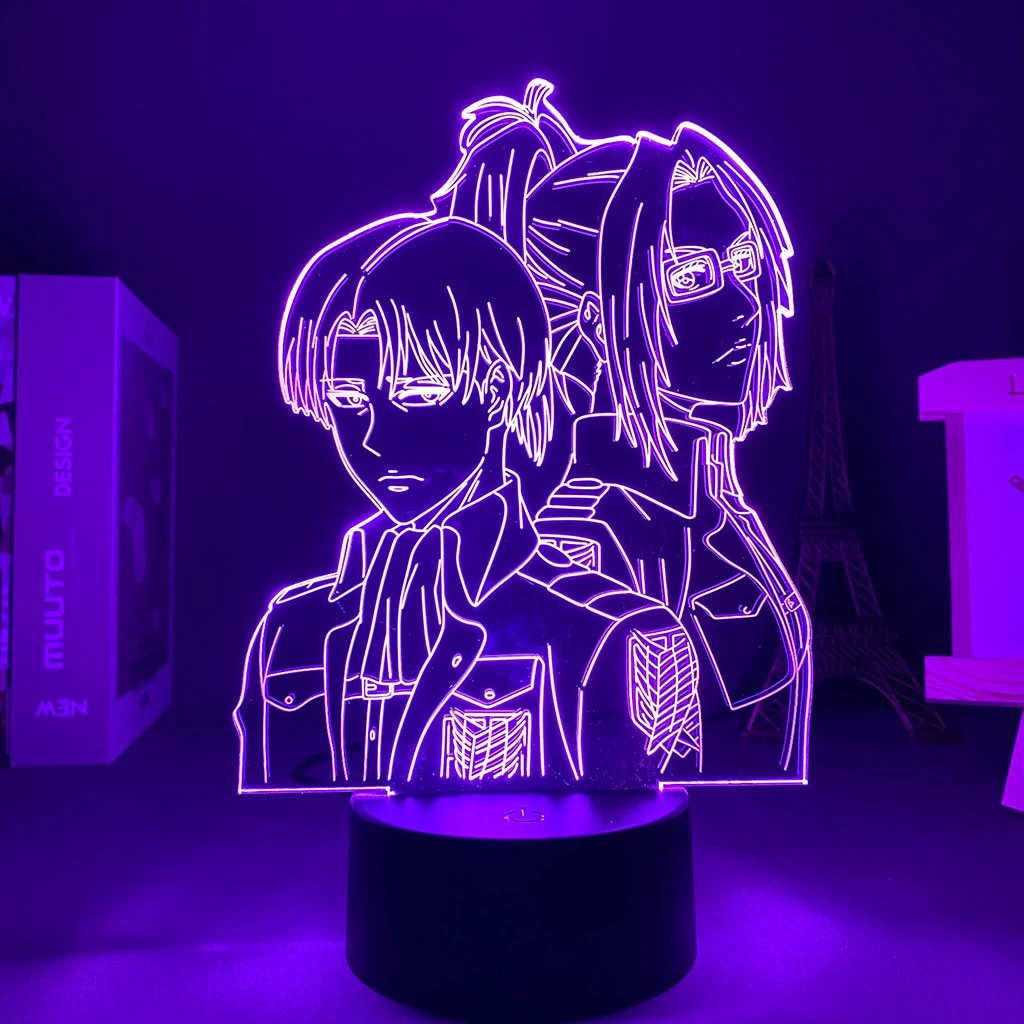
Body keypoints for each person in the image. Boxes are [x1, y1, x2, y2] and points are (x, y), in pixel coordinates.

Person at [233, 217, 704, 793]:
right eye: (349, 401)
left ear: (499, 389)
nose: (375, 439)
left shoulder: (612, 631)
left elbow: (636, 828)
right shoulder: (292, 628)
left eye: (419, 393)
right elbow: (274, 815)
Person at [524, 122, 813, 781]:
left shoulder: (707, 491)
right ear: (598, 318)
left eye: (746, 262)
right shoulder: (589, 528)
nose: (743, 303)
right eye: (689, 278)